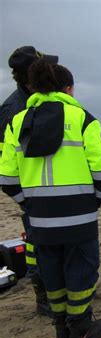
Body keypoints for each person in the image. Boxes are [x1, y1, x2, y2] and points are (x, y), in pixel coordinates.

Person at [0, 59, 101, 338]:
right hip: (80, 215)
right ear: (69, 88)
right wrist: (98, 200)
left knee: (52, 272)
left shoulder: (17, 121)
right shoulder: (83, 119)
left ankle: (61, 330)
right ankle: (81, 329)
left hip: (40, 219)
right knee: (82, 273)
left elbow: (7, 178)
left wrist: (30, 204)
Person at [0, 46, 59, 316]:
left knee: (51, 243)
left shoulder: (38, 101)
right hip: (32, 194)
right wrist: (26, 199)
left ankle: (57, 291)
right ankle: (43, 297)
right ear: (31, 74)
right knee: (37, 244)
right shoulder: (13, 110)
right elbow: (6, 166)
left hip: (49, 190)